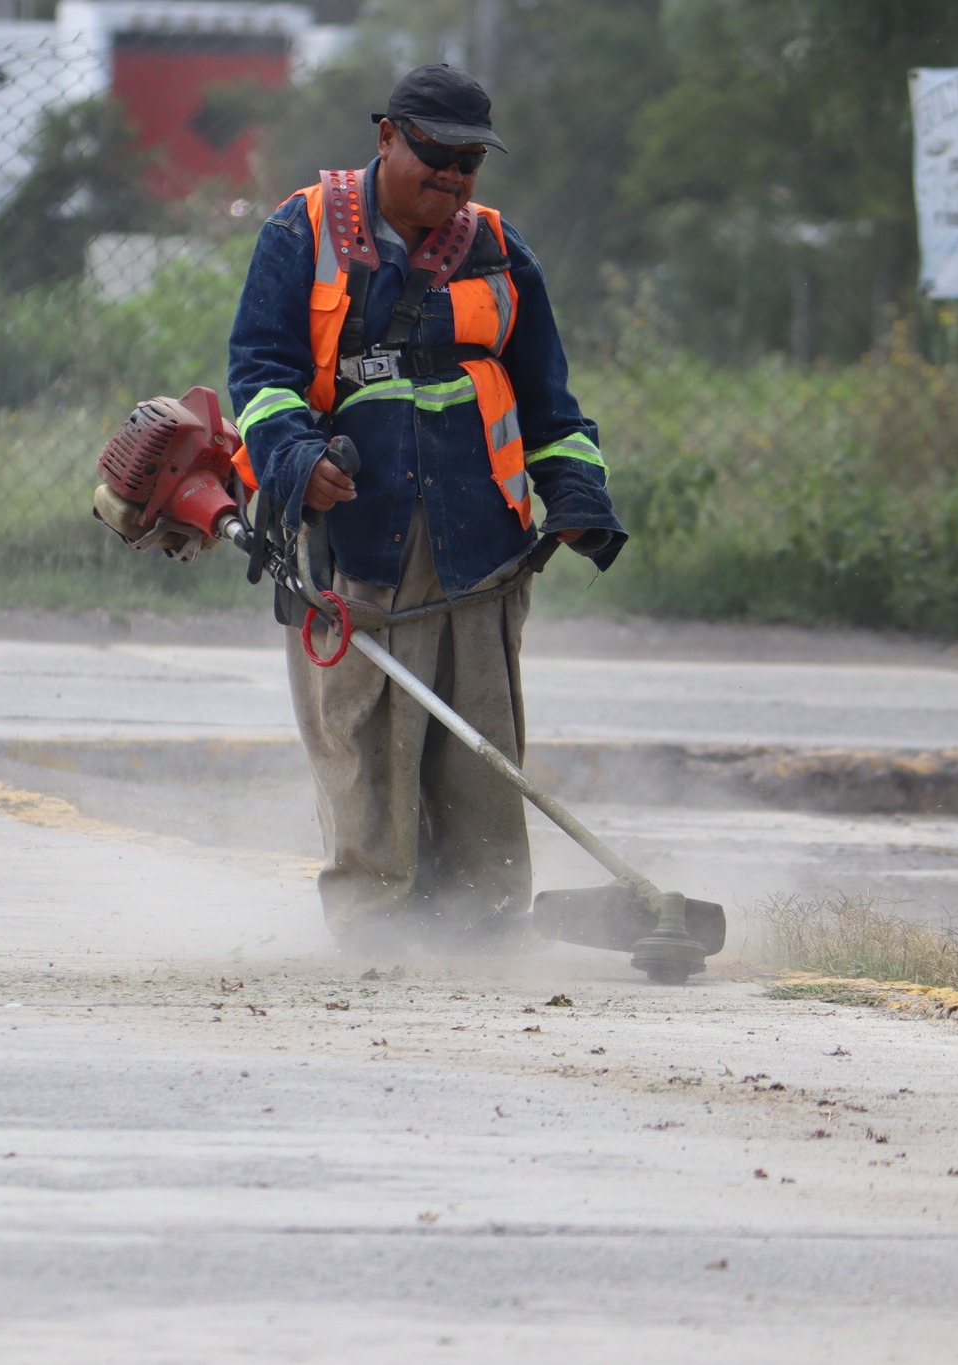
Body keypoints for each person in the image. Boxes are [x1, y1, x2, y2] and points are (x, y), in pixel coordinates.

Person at [227, 64, 625, 956]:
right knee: (364, 747)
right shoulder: (303, 233)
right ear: (385, 138)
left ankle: (484, 937)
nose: (449, 181)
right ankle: (378, 936)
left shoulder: (501, 250)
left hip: (480, 547)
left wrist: (576, 498)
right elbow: (258, 378)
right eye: (434, 157)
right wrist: (296, 460)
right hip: (354, 549)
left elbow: (554, 408)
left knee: (478, 752)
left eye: (467, 166)